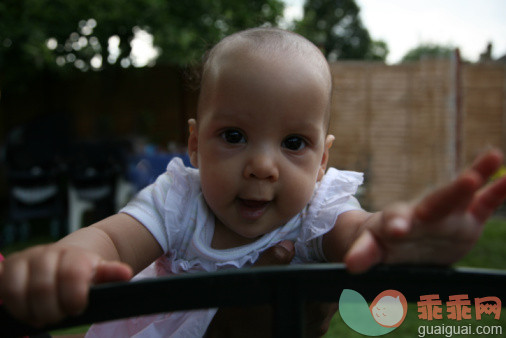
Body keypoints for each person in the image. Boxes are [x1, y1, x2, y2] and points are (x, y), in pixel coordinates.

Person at [1, 27, 506, 337]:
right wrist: (70, 258)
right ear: (195, 145)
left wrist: (405, 238)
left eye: (293, 144)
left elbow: (360, 236)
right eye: (235, 135)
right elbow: (112, 239)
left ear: (323, 159)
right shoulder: (182, 201)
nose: (263, 166)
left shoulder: (315, 213)